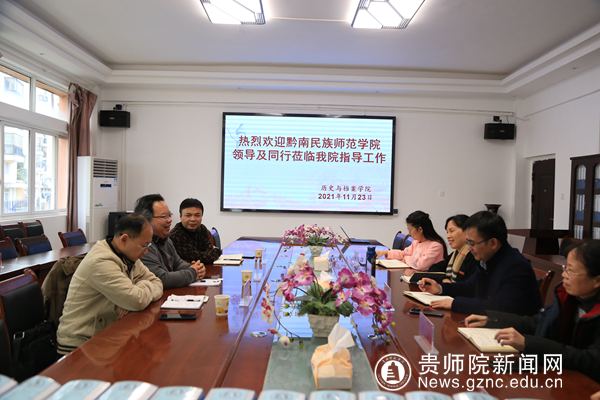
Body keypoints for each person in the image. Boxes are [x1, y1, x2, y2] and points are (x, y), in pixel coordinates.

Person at [465, 240, 600, 383]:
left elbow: (590, 360)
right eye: (565, 268)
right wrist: (492, 320)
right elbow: (538, 322)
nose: (564, 275)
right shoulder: (569, 298)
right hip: (558, 375)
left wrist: (528, 343)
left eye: (571, 271)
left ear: (597, 281)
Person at [56, 214, 163, 354]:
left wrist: (140, 288)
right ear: (124, 239)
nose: (147, 251)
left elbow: (157, 282)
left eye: (149, 245)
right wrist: (143, 286)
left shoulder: (128, 256)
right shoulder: (100, 262)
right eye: (144, 245)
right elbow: (136, 300)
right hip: (80, 344)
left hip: (105, 335)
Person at [418, 211, 541, 315]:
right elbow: (470, 287)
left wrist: (455, 303)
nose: (469, 248)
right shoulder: (487, 260)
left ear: (493, 243)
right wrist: (440, 288)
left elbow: (501, 307)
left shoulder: (515, 266)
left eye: (472, 243)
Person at [134, 194, 206, 289]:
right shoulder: (142, 245)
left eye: (169, 215)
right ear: (146, 220)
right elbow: (161, 279)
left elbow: (178, 263)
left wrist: (195, 268)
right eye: (164, 216)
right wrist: (193, 272)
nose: (169, 220)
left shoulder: (165, 239)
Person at [377, 210, 446, 272]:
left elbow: (420, 265)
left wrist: (406, 258)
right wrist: (386, 253)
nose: (409, 233)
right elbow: (403, 253)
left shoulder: (436, 246)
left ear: (420, 229)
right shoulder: (416, 242)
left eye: (410, 230)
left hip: (427, 279)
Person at [170, 198, 222, 264]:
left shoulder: (202, 229)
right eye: (188, 215)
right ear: (180, 216)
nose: (193, 219)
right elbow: (196, 258)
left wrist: (211, 253)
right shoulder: (176, 235)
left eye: (197, 215)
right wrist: (217, 251)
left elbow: (209, 249)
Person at [429, 214, 478, 282]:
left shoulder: (474, 255)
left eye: (452, 231)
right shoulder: (455, 254)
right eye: (447, 232)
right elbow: (433, 268)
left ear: (466, 231)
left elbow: (468, 284)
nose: (448, 236)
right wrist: (444, 279)